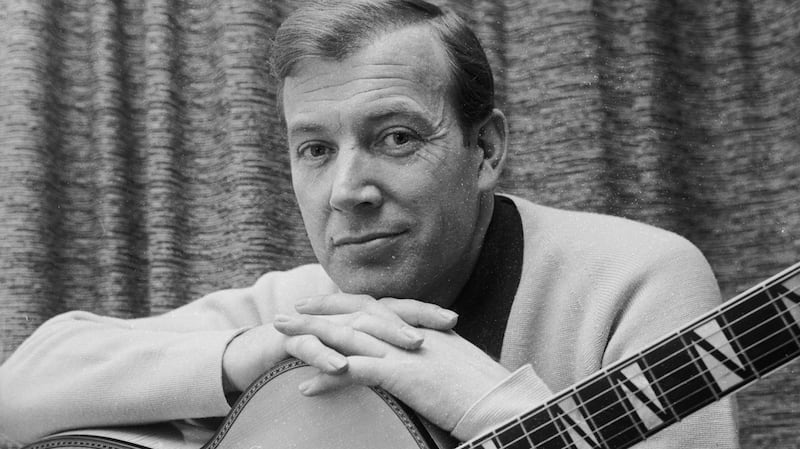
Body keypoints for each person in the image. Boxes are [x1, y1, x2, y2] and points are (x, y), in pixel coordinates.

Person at [0, 0, 738, 447]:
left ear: (485, 150)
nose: (347, 191)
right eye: (316, 149)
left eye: (396, 137)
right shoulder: (303, 310)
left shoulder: (635, 281)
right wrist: (250, 355)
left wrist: (492, 407)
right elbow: (18, 392)